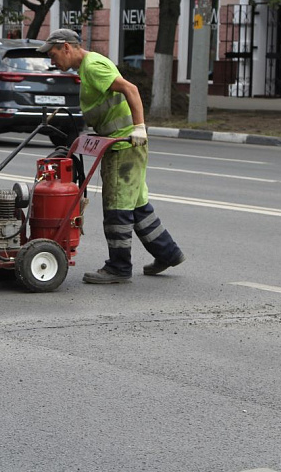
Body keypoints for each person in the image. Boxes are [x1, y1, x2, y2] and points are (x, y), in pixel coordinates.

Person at [37, 29, 185, 284]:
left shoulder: (93, 66)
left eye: (53, 55)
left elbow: (131, 89)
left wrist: (139, 128)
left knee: (116, 206)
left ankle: (118, 266)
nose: (53, 61)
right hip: (121, 142)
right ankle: (168, 252)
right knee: (137, 206)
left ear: (67, 48)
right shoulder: (88, 67)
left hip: (124, 145)